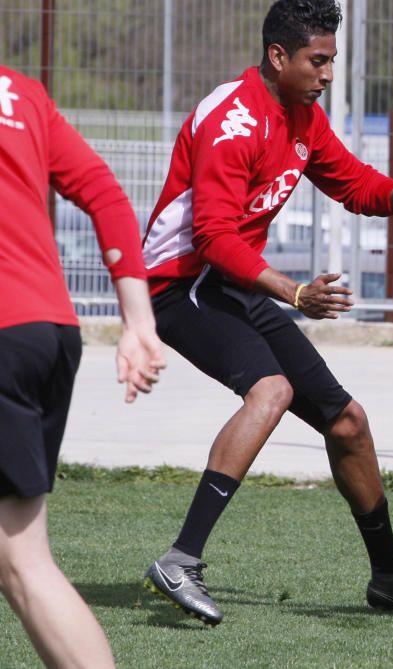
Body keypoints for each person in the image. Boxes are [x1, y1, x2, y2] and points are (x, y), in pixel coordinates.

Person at [139, 0, 393, 626]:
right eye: (318, 61)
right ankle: (180, 559)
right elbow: (211, 237)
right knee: (271, 389)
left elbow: (356, 186)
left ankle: (392, 578)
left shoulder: (302, 116)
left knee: (347, 421)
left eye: (331, 62)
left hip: (231, 286)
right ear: (278, 56)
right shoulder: (234, 121)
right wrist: (294, 293)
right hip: (177, 285)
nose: (326, 75)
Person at [0, 65, 167, 668]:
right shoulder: (19, 91)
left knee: (22, 561)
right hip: (47, 330)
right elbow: (104, 192)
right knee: (20, 559)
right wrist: (138, 323)